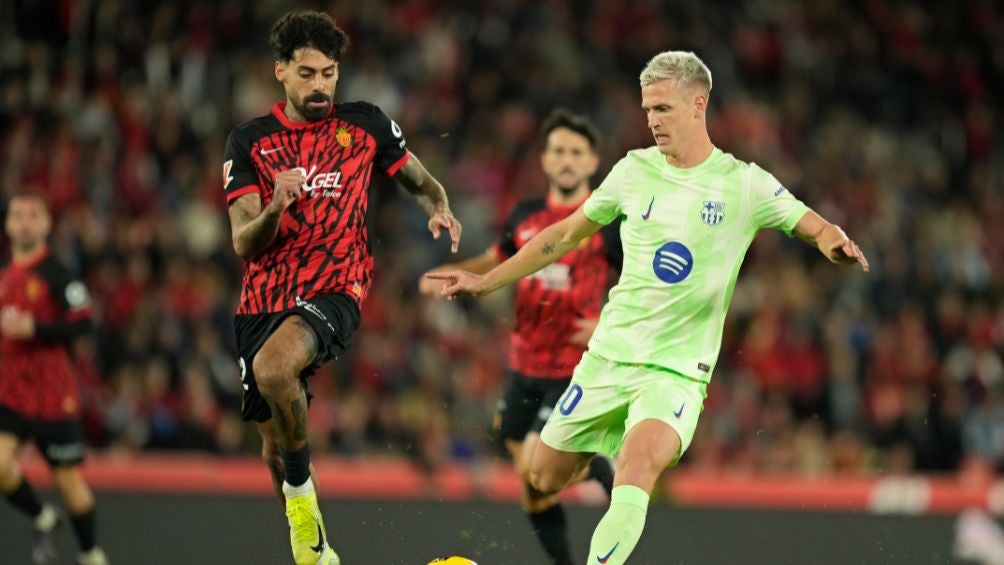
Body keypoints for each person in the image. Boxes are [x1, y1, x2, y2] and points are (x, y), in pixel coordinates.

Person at [427, 50, 870, 565]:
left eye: (663, 108)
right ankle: (598, 445)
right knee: (542, 476)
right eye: (647, 111)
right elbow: (567, 233)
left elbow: (812, 223)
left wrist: (833, 243)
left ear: (698, 103)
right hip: (609, 357)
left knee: (635, 471)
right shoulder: (633, 171)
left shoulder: (744, 183)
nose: (652, 121)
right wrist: (487, 281)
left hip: (676, 371)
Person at [223, 10, 462, 565]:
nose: (320, 86)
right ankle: (318, 543)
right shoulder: (250, 141)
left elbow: (421, 181)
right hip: (263, 299)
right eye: (307, 74)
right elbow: (244, 243)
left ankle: (304, 511)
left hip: (338, 285)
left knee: (275, 368)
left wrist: (440, 206)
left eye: (328, 73)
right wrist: (276, 206)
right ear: (280, 71)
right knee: (272, 451)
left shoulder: (365, 125)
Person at [420, 109, 619, 565]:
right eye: (558, 151)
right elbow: (498, 258)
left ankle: (599, 465)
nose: (567, 160)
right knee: (532, 492)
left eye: (577, 152)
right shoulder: (526, 215)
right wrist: (452, 274)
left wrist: (607, 321)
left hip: (573, 369)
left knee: (536, 465)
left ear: (592, 163)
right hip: (522, 367)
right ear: (546, 160)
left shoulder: (606, 222)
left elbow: (647, 285)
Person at [0, 192, 109, 565]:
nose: (25, 222)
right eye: (18, 215)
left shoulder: (57, 274)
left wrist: (37, 327)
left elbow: (84, 322)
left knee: (68, 483)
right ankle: (43, 519)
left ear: (46, 225)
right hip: (12, 393)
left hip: (52, 395)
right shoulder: (5, 275)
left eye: (33, 215)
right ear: (9, 224)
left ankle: (90, 554)